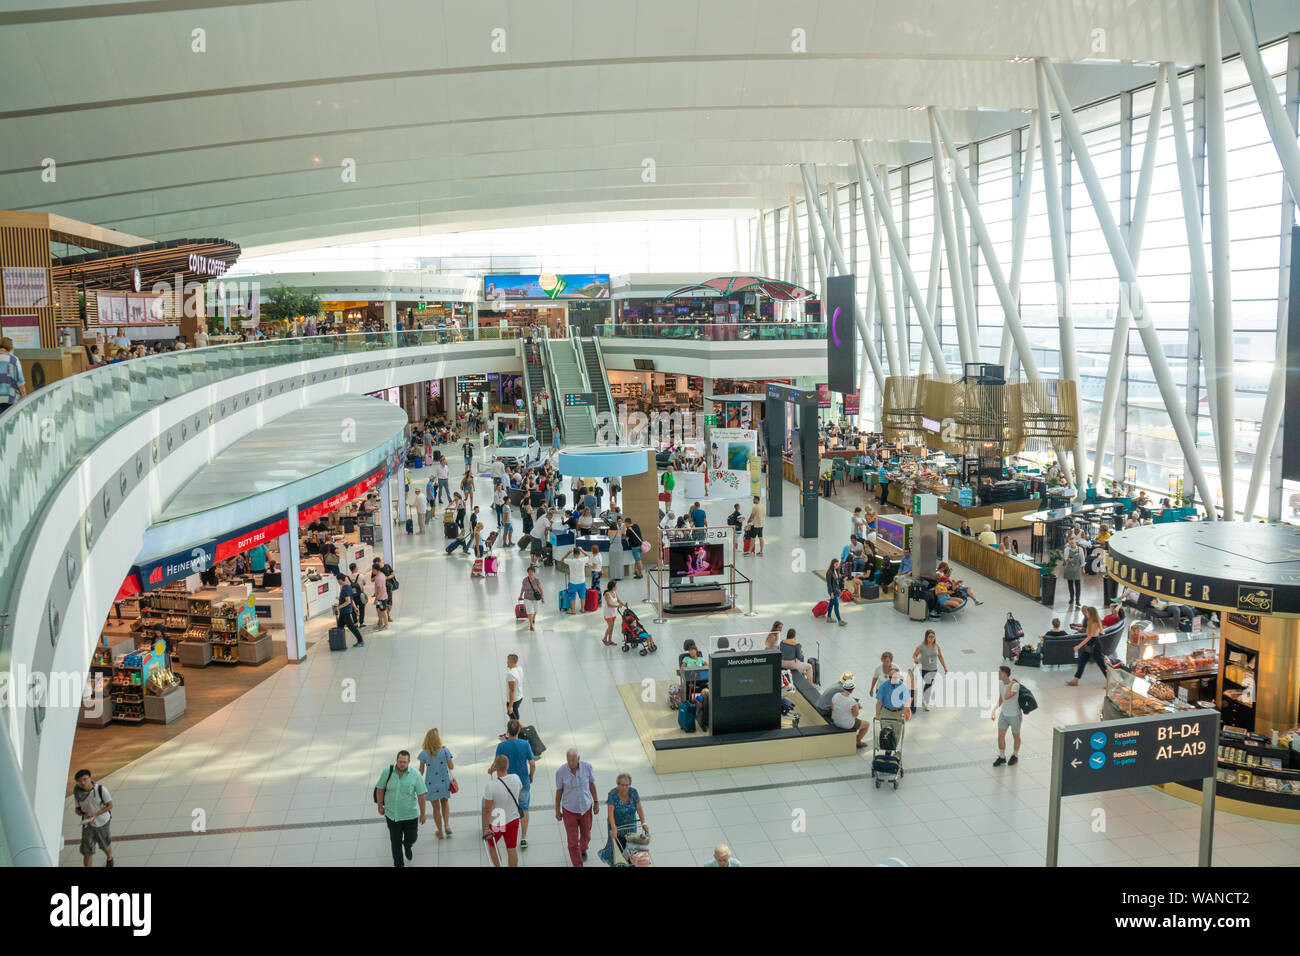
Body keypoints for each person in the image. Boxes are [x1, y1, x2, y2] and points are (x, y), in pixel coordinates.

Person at [374, 750, 428, 867]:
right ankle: (399, 864)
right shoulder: (387, 772)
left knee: (412, 838)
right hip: (392, 815)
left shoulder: (415, 775)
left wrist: (423, 813)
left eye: (404, 762)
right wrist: (380, 806)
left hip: (410, 815)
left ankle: (408, 845)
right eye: (399, 762)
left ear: (409, 762)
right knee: (395, 842)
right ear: (396, 761)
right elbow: (380, 789)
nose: (402, 764)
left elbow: (421, 795)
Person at [495, 719, 536, 852]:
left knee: (502, 807)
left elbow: (497, 764)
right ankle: (523, 837)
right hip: (523, 782)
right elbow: (532, 763)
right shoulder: (525, 744)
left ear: (507, 731)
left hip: (506, 783)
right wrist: (531, 776)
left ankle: (499, 833)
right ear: (519, 730)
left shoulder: (501, 747)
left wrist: (491, 771)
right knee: (524, 808)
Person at [555, 749, 600, 867]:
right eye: (568, 760)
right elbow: (559, 792)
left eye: (573, 760)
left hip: (585, 808)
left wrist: (596, 802)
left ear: (578, 758)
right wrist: (557, 810)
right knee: (573, 842)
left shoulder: (587, 767)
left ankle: (583, 849)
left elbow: (591, 785)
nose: (571, 763)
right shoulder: (561, 772)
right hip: (569, 810)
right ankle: (578, 864)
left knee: (586, 835)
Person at [482, 754, 524, 868]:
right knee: (511, 848)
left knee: (492, 846)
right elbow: (518, 796)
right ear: (508, 765)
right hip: (513, 818)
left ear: (495, 766)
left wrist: (486, 828)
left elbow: (487, 809)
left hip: (498, 818)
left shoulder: (491, 786)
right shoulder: (516, 778)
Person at [598, 773, 648, 866]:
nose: (625, 787)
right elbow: (610, 814)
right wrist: (613, 828)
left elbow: (639, 808)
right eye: (622, 785)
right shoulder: (612, 794)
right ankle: (616, 862)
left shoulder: (633, 792)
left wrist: (643, 823)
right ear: (618, 784)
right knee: (616, 847)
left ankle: (630, 861)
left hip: (630, 825)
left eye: (627, 785)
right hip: (616, 825)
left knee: (630, 847)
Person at [417, 728, 455, 839]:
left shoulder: (424, 754)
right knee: (445, 802)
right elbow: (451, 766)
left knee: (436, 808)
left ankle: (440, 831)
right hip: (444, 783)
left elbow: (421, 771)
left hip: (431, 783)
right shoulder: (445, 751)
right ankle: (447, 825)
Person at [72, 769, 114, 867]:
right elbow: (77, 808)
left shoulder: (101, 789)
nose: (82, 783)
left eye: (85, 779)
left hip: (102, 823)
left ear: (90, 778)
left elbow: (110, 805)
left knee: (105, 845)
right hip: (87, 824)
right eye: (79, 781)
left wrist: (96, 814)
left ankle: (109, 858)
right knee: (87, 852)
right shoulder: (77, 793)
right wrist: (79, 812)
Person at [1066, 605, 1109, 686]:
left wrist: (1079, 646)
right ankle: (1075, 680)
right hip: (1092, 644)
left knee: (1101, 664)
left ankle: (1110, 681)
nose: (1086, 614)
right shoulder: (1091, 621)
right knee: (1082, 662)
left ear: (1091, 613)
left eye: (1087, 612)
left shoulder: (1094, 622)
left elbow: (1089, 637)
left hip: (1095, 645)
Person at [991, 666, 1022, 767]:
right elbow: (1001, 698)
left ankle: (1015, 755)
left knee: (1016, 736)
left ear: (1005, 674)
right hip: (1004, 714)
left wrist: (1010, 684)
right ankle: (1002, 757)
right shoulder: (1000, 683)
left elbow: (1007, 696)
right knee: (1000, 737)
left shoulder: (1015, 685)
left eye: (1000, 673)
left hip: (1015, 716)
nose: (998, 674)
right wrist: (994, 710)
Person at [874, 666, 911, 750]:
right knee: (885, 732)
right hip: (886, 711)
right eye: (890, 677)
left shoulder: (903, 687)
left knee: (897, 733)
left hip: (898, 712)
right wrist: (877, 714)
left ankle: (895, 750)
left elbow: (906, 703)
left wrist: (902, 715)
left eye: (894, 677)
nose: (892, 679)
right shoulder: (883, 685)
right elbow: (879, 702)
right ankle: (886, 749)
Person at [912, 629, 947, 712]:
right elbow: (914, 655)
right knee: (929, 683)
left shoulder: (937, 646)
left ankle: (925, 699)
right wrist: (916, 659)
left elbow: (940, 657)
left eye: (933, 637)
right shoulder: (922, 646)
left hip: (934, 668)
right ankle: (926, 701)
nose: (932, 639)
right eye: (930, 637)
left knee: (929, 684)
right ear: (926, 637)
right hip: (924, 668)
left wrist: (945, 667)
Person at [830, 678, 871, 748]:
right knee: (867, 724)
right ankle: (858, 741)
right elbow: (856, 714)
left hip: (836, 721)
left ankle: (855, 738)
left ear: (843, 687)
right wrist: (857, 707)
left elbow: (832, 708)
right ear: (852, 689)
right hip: (846, 725)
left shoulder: (836, 695)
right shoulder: (852, 701)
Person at [332, 573, 365, 647]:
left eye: (338, 580)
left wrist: (338, 607)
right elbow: (351, 599)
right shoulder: (349, 587)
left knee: (352, 627)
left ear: (340, 580)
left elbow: (348, 601)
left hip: (345, 611)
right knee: (340, 625)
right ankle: (337, 638)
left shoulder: (345, 589)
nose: (337, 582)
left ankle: (360, 640)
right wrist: (355, 608)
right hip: (344, 612)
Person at [0, 337, 27, 414]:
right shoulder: (13, 360)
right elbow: (20, 380)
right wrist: (24, 396)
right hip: (11, 398)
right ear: (10, 346)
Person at [561, 545, 590, 614]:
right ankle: (582, 609)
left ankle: (573, 610)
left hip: (573, 582)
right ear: (579, 554)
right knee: (583, 596)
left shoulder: (571, 561)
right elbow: (588, 556)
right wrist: (582, 549)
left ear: (573, 554)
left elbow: (562, 560)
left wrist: (568, 553)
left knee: (572, 596)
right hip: (582, 582)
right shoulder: (583, 560)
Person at [518, 566, 544, 631]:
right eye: (529, 572)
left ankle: (533, 617)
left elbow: (541, 589)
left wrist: (542, 597)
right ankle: (531, 625)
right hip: (527, 598)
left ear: (534, 572)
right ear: (527, 572)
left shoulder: (537, 580)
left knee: (536, 611)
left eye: (532, 572)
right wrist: (520, 595)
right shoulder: (525, 580)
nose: (530, 573)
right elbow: (523, 588)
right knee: (530, 612)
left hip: (536, 598)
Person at [824, 558, 848, 626]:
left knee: (831, 604)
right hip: (832, 591)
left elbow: (836, 582)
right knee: (836, 605)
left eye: (838, 564)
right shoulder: (829, 572)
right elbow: (829, 584)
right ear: (833, 564)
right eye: (836, 564)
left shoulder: (836, 571)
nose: (838, 565)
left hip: (836, 590)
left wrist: (839, 590)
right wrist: (831, 593)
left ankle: (828, 617)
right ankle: (840, 620)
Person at [601, 580, 626, 646]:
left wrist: (624, 605)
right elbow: (609, 604)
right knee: (610, 626)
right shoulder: (607, 594)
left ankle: (610, 640)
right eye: (616, 586)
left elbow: (618, 600)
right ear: (612, 587)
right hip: (608, 613)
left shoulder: (615, 592)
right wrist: (618, 606)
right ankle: (604, 638)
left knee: (612, 627)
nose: (617, 586)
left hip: (613, 612)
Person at [1062, 539, 1085, 607]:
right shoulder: (1067, 549)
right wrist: (1068, 560)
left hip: (1077, 568)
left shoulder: (1080, 549)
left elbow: (1082, 559)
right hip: (1069, 568)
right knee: (1070, 584)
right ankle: (1071, 598)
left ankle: (1077, 600)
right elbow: (1065, 559)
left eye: (1072, 543)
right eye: (1070, 543)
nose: (1071, 545)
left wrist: (1083, 568)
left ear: (1076, 543)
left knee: (1078, 585)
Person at [347, 562, 369, 627]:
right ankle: (361, 623)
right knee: (362, 608)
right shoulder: (361, 576)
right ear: (356, 568)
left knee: (354, 608)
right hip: (361, 595)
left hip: (352, 596)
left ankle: (355, 622)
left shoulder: (347, 578)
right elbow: (364, 583)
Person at [503, 652, 525, 720]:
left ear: (511, 662)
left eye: (508, 661)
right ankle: (510, 730)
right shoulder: (519, 668)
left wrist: (510, 706)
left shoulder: (511, 674)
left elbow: (512, 691)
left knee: (515, 721)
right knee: (514, 719)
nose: (507, 662)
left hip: (513, 700)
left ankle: (521, 730)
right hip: (520, 696)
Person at [369, 564, 391, 630]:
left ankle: (386, 625)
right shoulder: (381, 574)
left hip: (381, 598)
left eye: (373, 570)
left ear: (376, 570)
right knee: (379, 610)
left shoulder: (378, 578)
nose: (372, 571)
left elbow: (379, 589)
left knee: (383, 611)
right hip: (381, 596)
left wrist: (376, 598)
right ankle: (380, 624)